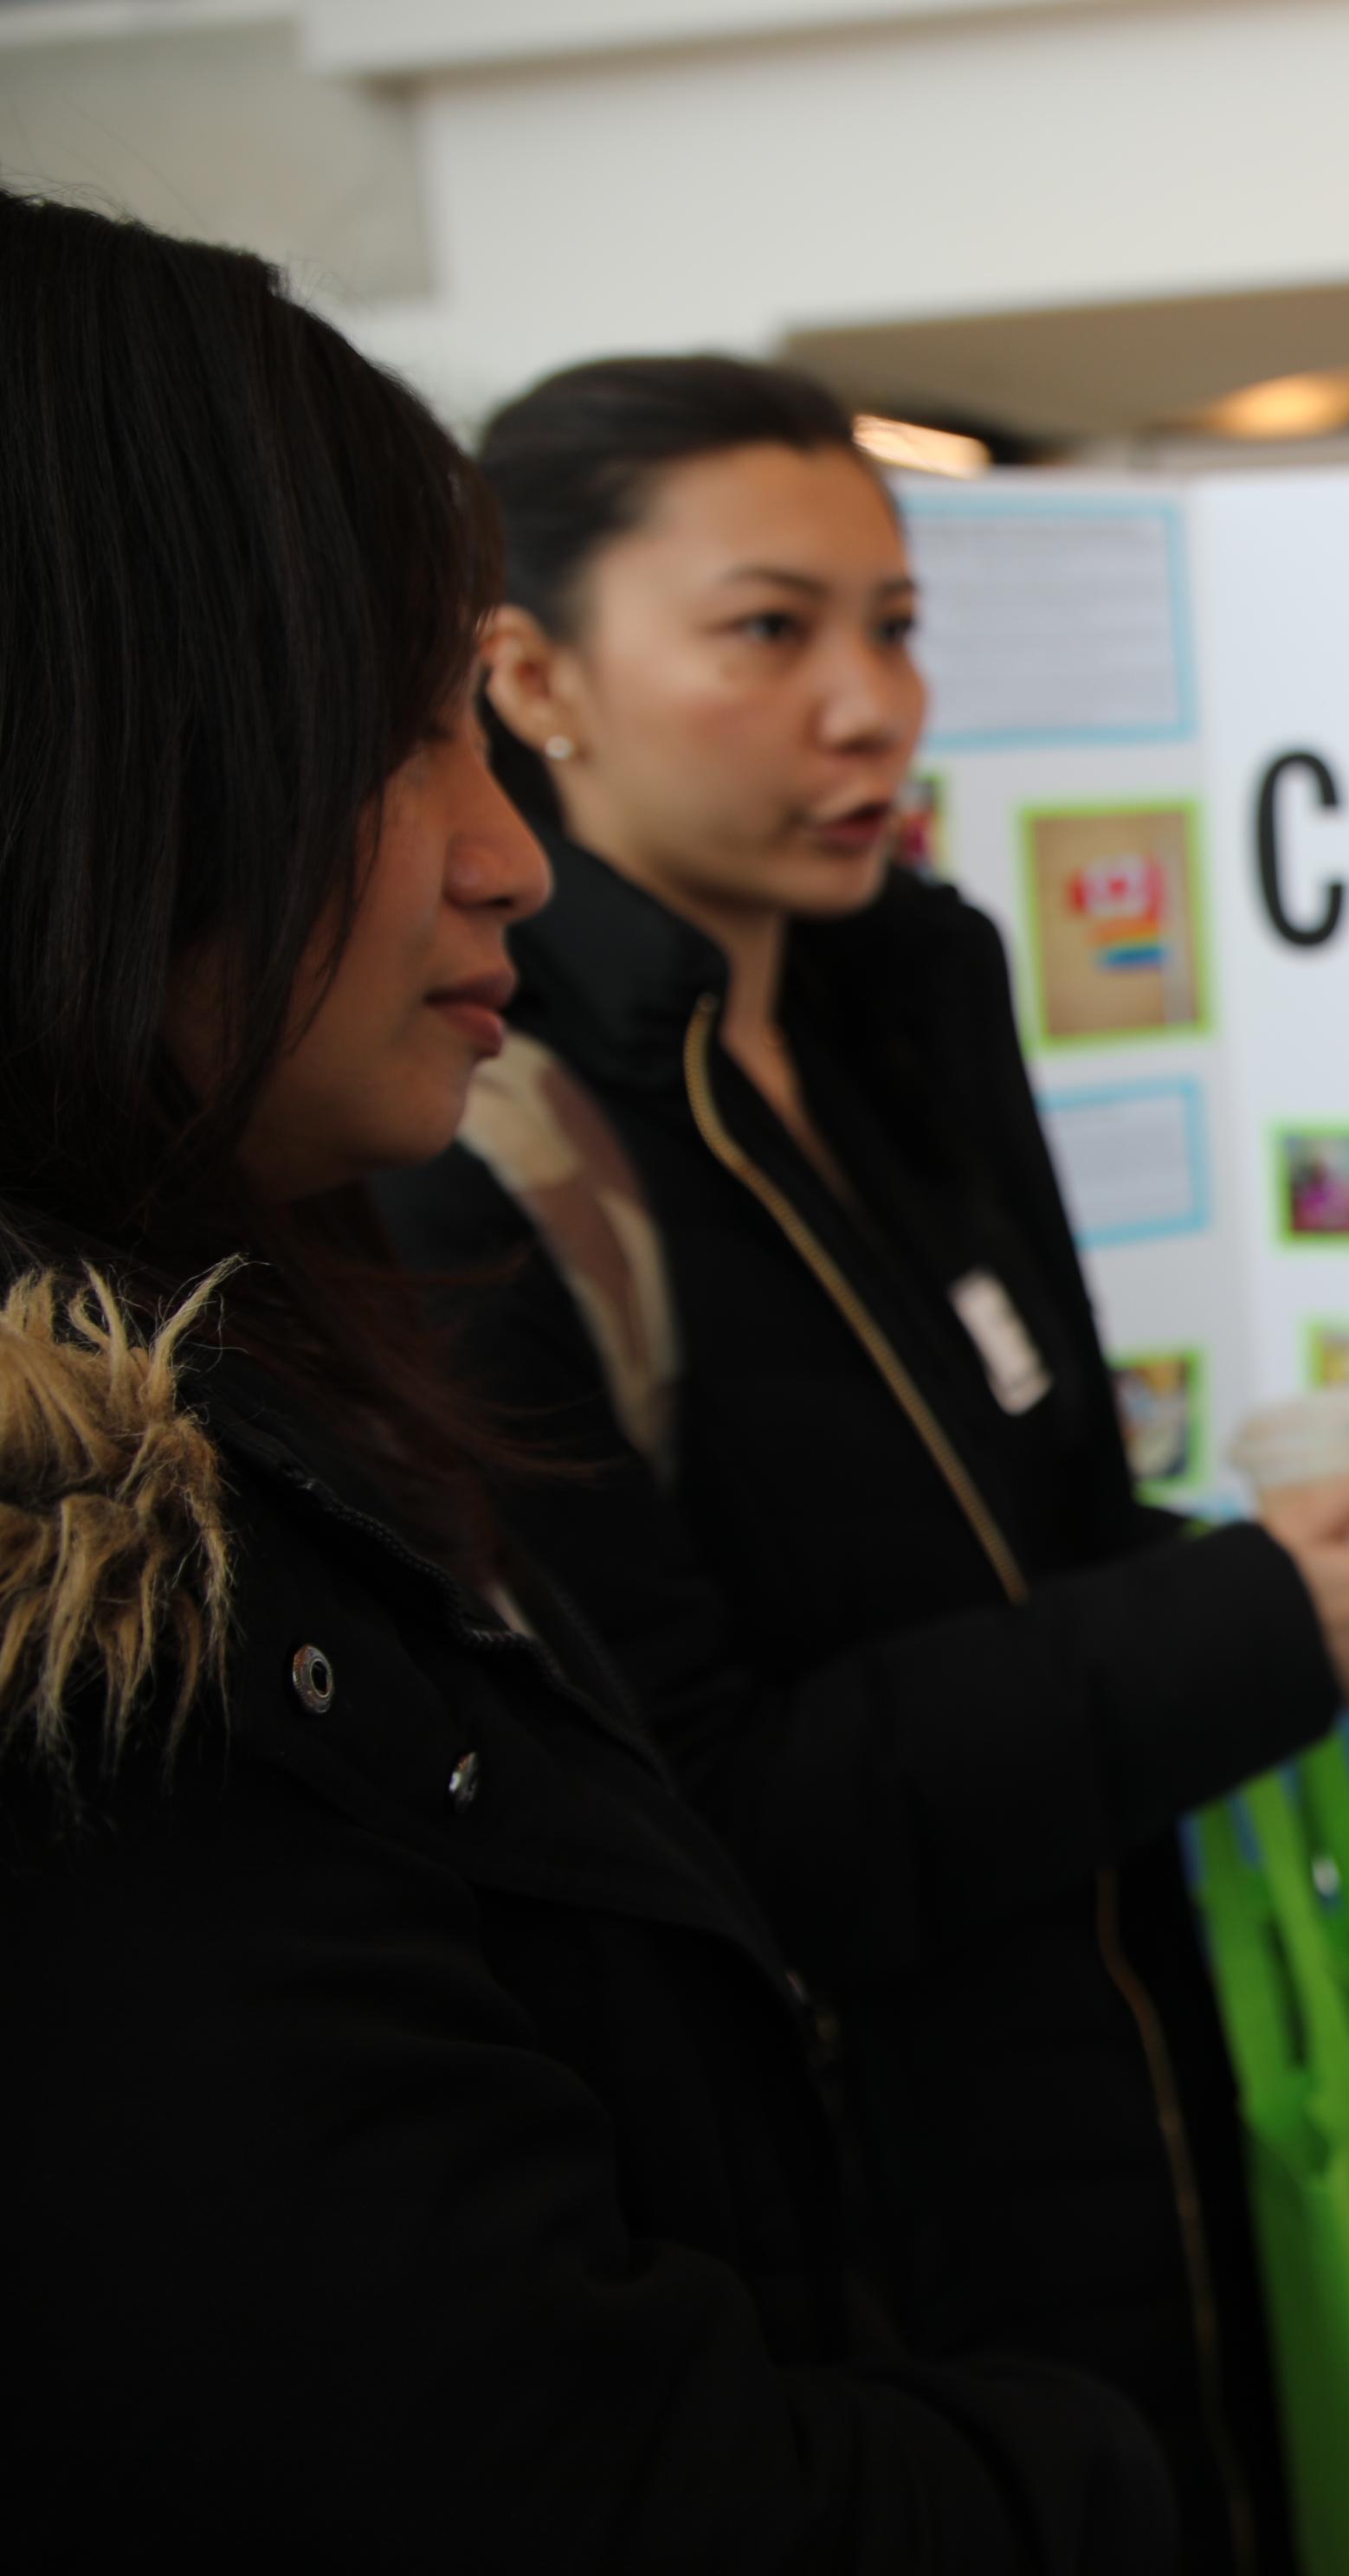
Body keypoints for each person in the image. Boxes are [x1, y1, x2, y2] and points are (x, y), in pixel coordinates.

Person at [0, 186, 1173, 2567]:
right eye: (395, 726)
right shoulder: (343, 1312)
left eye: (897, 626)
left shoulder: (911, 994)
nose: (494, 859)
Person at [368, 356, 1349, 2574]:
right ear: (531, 677)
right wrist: (1250, 1623)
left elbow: (1009, 1538)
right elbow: (718, 1821)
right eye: (770, 630)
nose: (869, 706)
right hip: (875, 2225)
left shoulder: (904, 991)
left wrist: (1292, 1599)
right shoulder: (487, 1152)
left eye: (898, 623)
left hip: (1123, 2063)